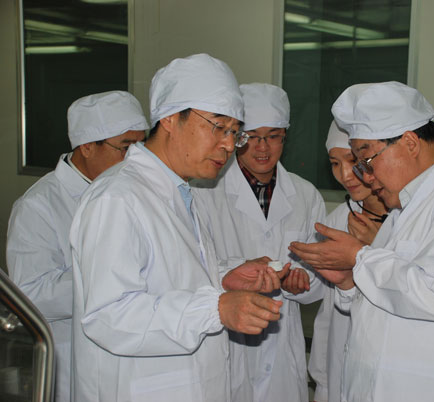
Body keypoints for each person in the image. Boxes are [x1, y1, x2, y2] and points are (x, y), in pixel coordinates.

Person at [70, 54, 286, 402]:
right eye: (218, 127)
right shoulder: (117, 198)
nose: (228, 145)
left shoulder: (180, 190)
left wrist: (225, 276)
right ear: (170, 118)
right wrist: (215, 309)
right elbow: (108, 315)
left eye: (234, 132)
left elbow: (167, 277)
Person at [289, 81, 434, 402]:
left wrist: (359, 258)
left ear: (409, 142)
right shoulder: (405, 205)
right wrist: (349, 281)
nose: (365, 176)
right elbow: (390, 297)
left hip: (433, 390)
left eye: (367, 160)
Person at [6, 90, 148, 402]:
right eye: (126, 147)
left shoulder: (137, 192)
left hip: (130, 359)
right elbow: (31, 295)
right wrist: (107, 275)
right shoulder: (38, 206)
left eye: (142, 145)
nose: (136, 158)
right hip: (71, 362)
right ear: (87, 146)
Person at [193, 82, 326, 402]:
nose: (262, 147)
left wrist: (301, 283)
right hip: (226, 341)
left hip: (283, 351)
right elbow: (194, 268)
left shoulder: (306, 195)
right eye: (252, 136)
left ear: (285, 138)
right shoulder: (204, 192)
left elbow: (322, 275)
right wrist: (239, 273)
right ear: (236, 137)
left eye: (273, 136)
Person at [308, 121, 386, 402]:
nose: (344, 175)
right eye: (334, 163)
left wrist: (373, 249)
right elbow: (322, 301)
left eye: (353, 161)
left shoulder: (406, 219)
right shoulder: (338, 220)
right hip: (335, 369)